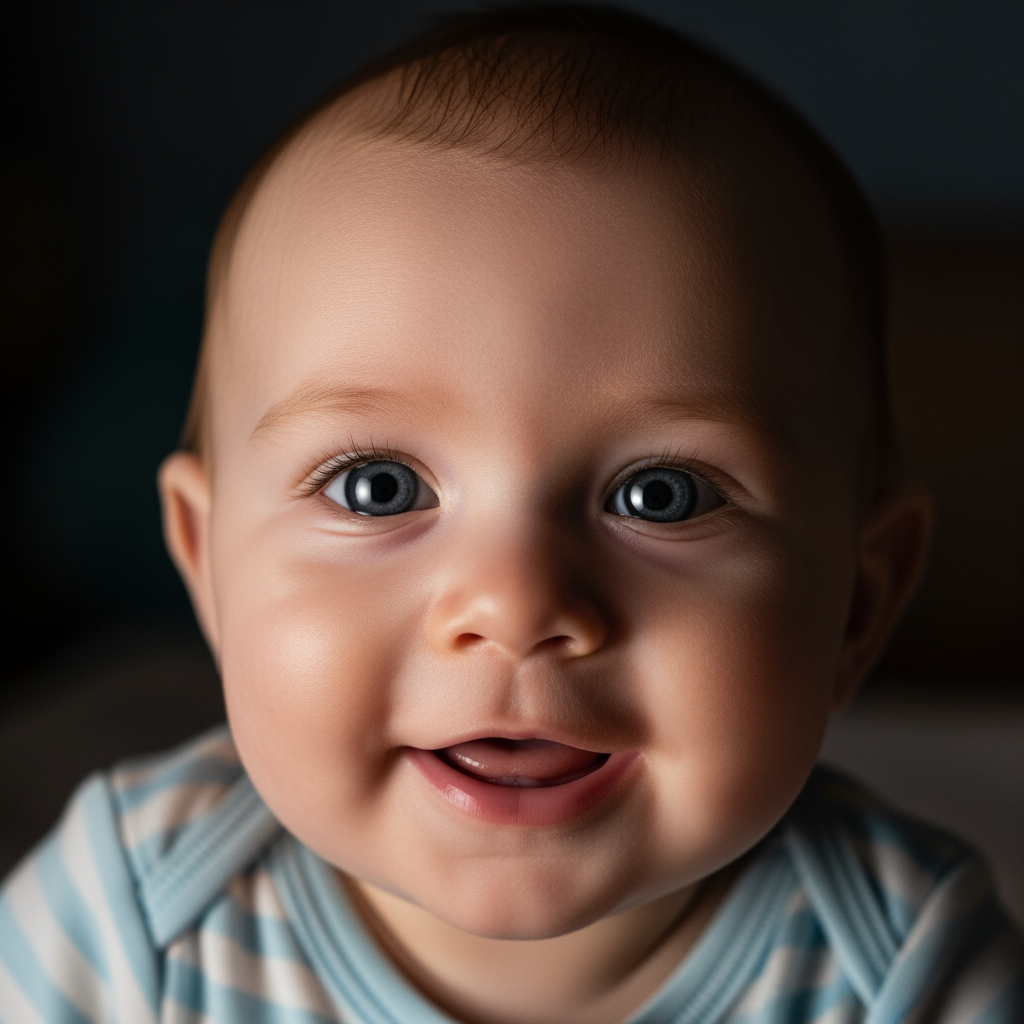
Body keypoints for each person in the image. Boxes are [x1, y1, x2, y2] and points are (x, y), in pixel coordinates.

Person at [1, 6, 1020, 1022]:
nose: (516, 601)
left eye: (657, 496)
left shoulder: (902, 965)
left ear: (856, 600)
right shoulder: (128, 922)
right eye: (377, 487)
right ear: (207, 564)